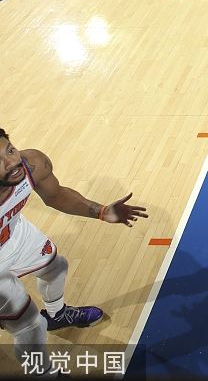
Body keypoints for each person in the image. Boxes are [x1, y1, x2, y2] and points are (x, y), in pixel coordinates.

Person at [0, 128, 147, 361]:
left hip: (14, 232)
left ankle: (57, 314)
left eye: (10, 150)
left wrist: (101, 212)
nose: (11, 162)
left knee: (56, 268)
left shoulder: (32, 164)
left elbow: (56, 195)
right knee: (29, 326)